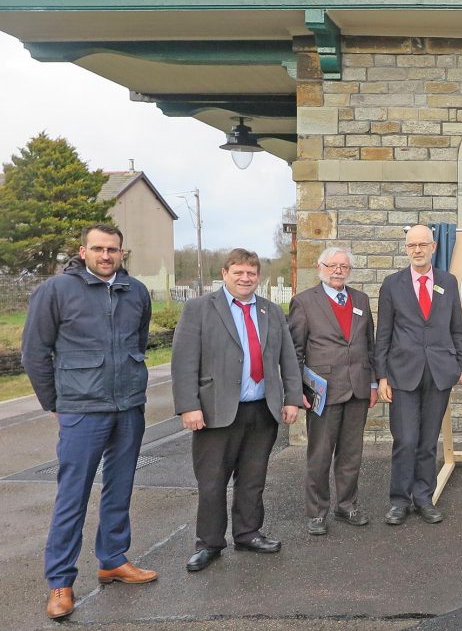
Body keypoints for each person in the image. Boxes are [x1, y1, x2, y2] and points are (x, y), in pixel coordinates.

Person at [23, 224, 157, 620]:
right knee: (73, 495)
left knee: (120, 486)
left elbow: (138, 342)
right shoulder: (55, 291)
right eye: (98, 248)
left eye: (112, 249)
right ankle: (60, 581)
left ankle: (113, 558)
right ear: (83, 252)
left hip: (128, 406)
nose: (105, 255)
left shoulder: (136, 292)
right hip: (82, 409)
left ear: (121, 252)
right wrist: (54, 402)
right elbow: (34, 352)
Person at [171, 248, 303, 572]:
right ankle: (209, 543)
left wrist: (292, 398)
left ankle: (248, 533)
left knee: (253, 478)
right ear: (225, 274)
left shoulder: (272, 311)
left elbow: (288, 358)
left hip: (262, 410)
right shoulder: (199, 309)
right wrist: (189, 406)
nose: (245, 278)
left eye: (251, 273)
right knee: (212, 482)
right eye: (239, 272)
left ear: (259, 276)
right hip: (215, 411)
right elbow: (184, 361)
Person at [374, 224, 462, 525]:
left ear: (433, 247)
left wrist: (461, 366)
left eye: (422, 244)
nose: (417, 250)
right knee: (405, 439)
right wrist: (381, 377)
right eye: (412, 245)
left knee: (428, 441)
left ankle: (424, 498)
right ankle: (399, 501)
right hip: (403, 374)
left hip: (439, 373)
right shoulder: (392, 284)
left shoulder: (448, 282)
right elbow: (383, 333)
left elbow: (457, 328)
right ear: (406, 249)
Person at [288, 247, 377, 536]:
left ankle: (347, 505)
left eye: (343, 266)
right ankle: (317, 513)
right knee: (320, 455)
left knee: (351, 454)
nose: (338, 270)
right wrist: (296, 390)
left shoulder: (361, 300)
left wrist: (373, 383)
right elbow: (295, 351)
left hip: (357, 388)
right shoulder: (303, 302)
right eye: (332, 265)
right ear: (320, 267)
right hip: (322, 391)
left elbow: (370, 345)